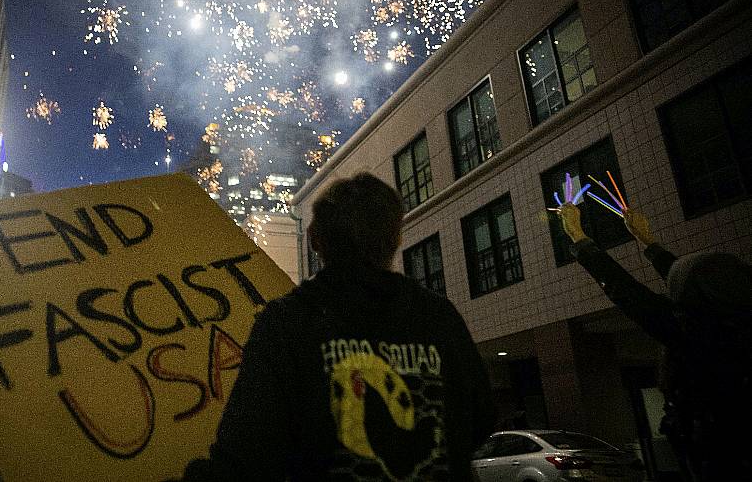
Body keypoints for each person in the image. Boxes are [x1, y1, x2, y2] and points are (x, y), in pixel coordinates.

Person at [182, 172, 495, 481]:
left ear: (315, 239)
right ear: (396, 238)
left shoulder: (287, 322)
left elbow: (246, 453)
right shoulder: (438, 316)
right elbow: (481, 419)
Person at [557, 203, 752, 481]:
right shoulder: (732, 320)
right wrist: (648, 241)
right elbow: (687, 274)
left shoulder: (701, 337)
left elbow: (629, 293)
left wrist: (578, 236)